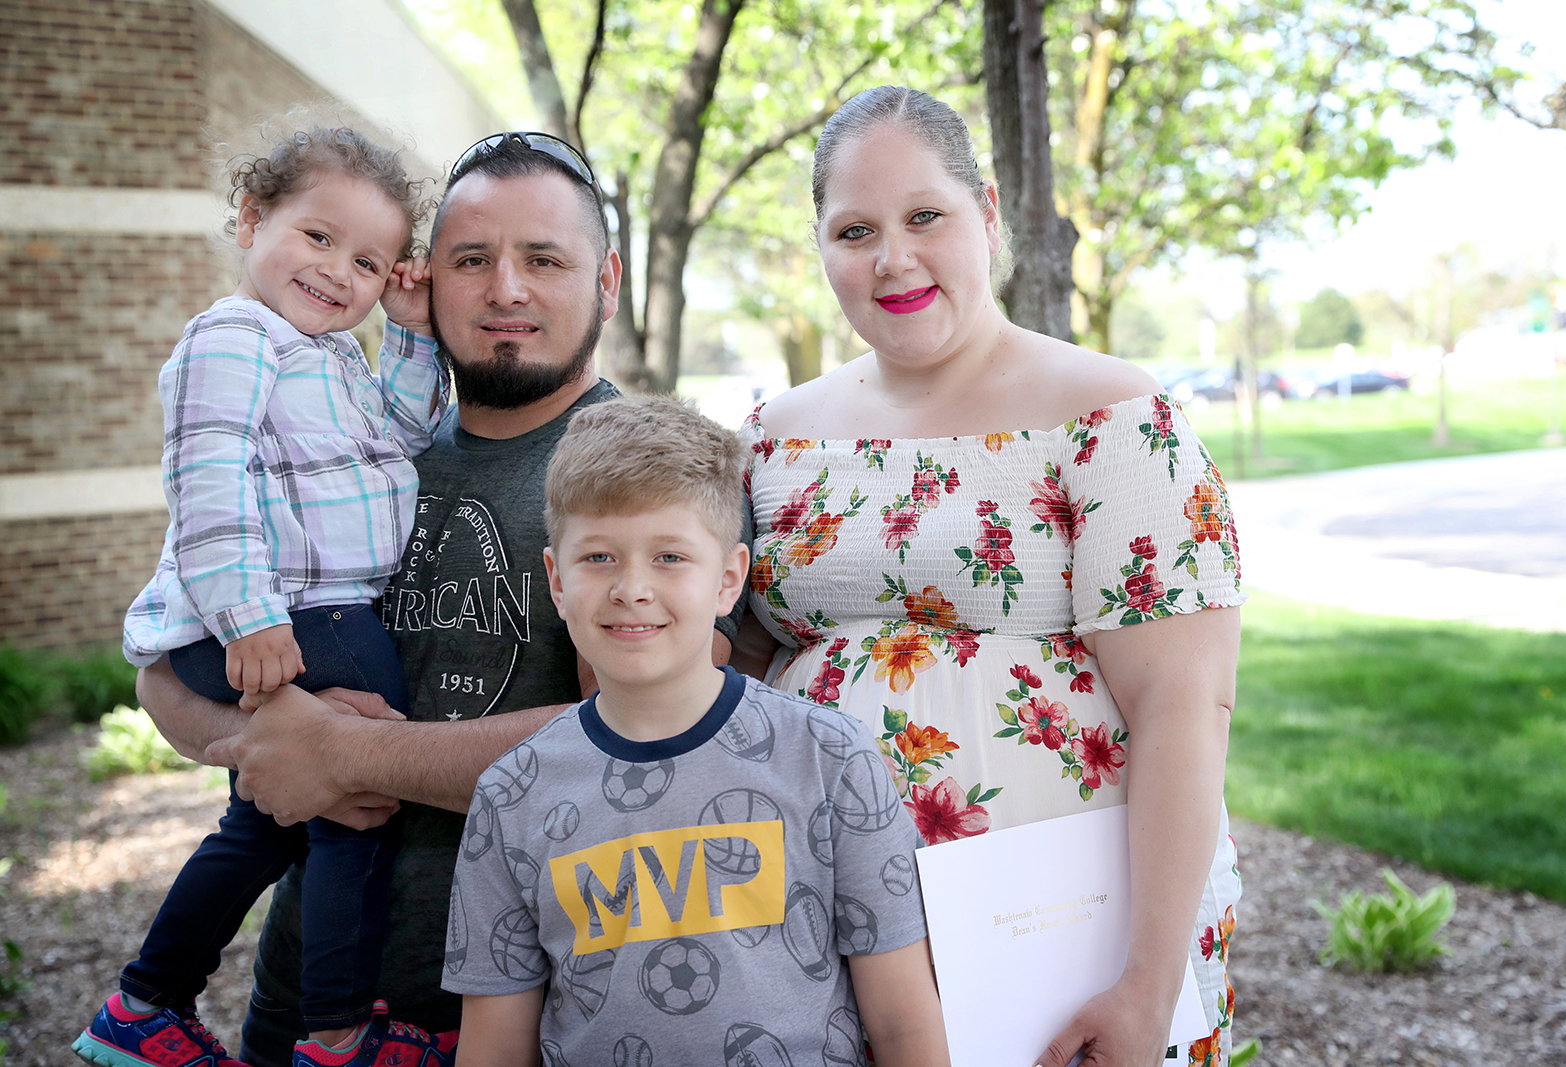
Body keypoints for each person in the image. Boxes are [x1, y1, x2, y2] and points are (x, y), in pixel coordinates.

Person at [132, 131, 738, 1067]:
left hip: (529, 1014)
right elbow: (166, 671)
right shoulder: (347, 445)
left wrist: (346, 752)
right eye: (470, 260)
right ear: (421, 280)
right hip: (300, 1000)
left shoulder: (647, 471)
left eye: (543, 259)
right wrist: (261, 743)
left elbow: (652, 742)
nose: (505, 289)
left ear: (607, 281)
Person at [733, 86, 1244, 1067]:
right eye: (854, 229)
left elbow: (1185, 703)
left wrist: (1142, 981)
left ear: (990, 214)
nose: (893, 258)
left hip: (1064, 938)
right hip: (826, 933)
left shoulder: (1110, 414)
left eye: (925, 215)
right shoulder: (771, 435)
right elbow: (739, 660)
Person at [79, 125, 455, 1067]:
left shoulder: (326, 354)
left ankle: (147, 1002)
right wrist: (250, 614)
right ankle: (334, 1029)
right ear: (251, 218)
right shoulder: (236, 335)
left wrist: (407, 332)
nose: (339, 273)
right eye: (318, 238)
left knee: (264, 816)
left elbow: (405, 433)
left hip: (309, 608)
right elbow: (207, 477)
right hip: (286, 611)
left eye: (368, 261)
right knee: (355, 804)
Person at [445, 396, 947, 1067]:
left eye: (670, 557)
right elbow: (496, 1049)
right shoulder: (511, 794)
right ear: (556, 581)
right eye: (598, 556)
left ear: (729, 579)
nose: (632, 588)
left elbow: (907, 1026)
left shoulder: (831, 760)